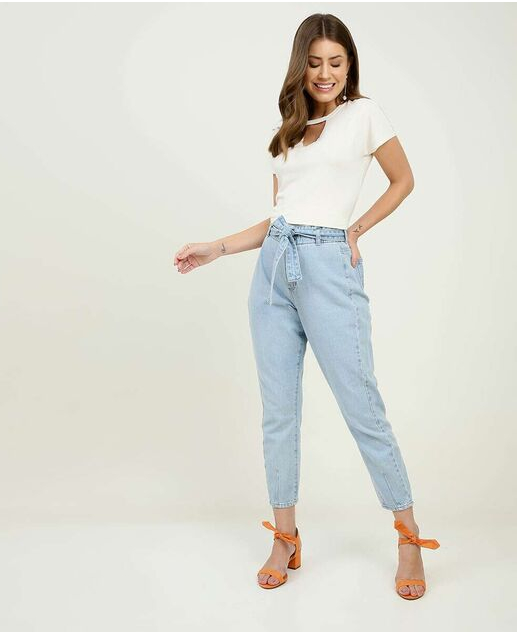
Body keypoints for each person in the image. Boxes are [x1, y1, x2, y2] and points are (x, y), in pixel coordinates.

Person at [173, 13, 440, 600]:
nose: (325, 73)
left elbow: (403, 180)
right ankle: (286, 536)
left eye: (335, 63)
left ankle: (408, 536)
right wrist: (217, 247)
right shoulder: (288, 132)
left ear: (349, 66)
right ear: (301, 65)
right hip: (274, 269)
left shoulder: (364, 116)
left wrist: (356, 229)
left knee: (362, 406)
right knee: (279, 413)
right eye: (315, 62)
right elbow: (281, 216)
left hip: (327, 267)